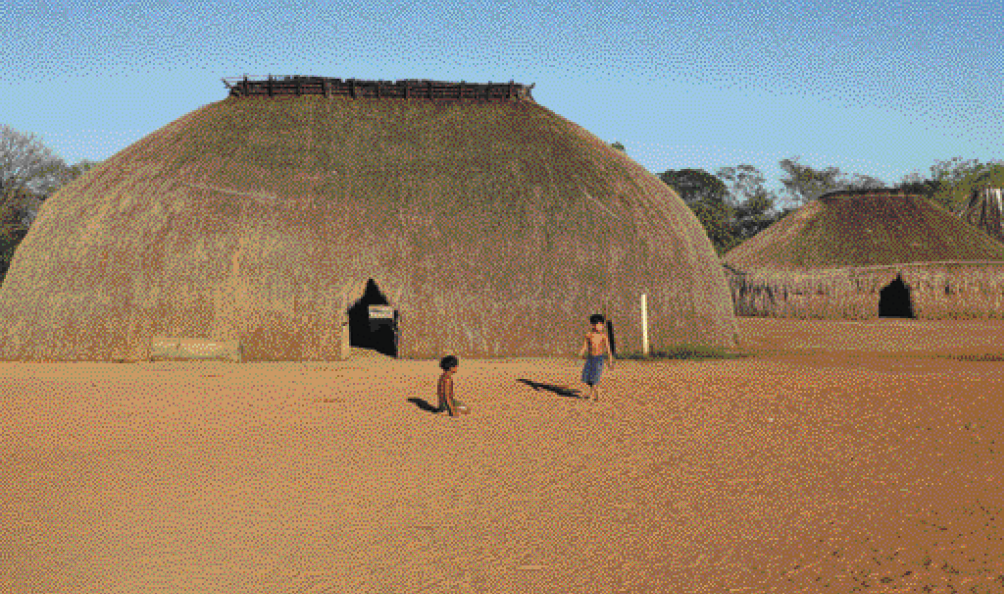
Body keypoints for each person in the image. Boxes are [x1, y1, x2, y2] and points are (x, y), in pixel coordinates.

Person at [578, 314, 614, 401]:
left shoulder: (603, 336)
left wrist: (610, 360)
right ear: (593, 325)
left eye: (601, 325)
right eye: (598, 324)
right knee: (587, 378)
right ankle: (593, 393)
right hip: (590, 358)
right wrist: (581, 353)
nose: (600, 327)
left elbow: (608, 349)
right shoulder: (588, 335)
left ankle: (596, 394)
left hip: (599, 359)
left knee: (595, 377)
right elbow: (585, 346)